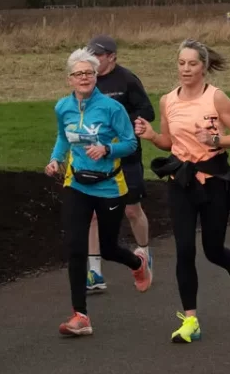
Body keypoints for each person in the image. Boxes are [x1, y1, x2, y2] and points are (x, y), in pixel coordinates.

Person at [133, 39, 230, 344]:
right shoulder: (167, 101)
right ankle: (191, 320)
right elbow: (169, 142)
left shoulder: (216, 98)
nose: (186, 69)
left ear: (203, 67)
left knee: (213, 249)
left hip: (214, 181)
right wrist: (151, 136)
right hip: (181, 182)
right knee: (185, 250)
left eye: (192, 63)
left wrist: (214, 139)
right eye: (181, 63)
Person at [47, 47, 155, 337]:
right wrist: (55, 159)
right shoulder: (63, 107)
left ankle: (137, 262)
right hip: (77, 183)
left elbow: (131, 143)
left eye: (89, 73)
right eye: (78, 73)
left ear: (96, 76)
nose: (84, 77)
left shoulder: (112, 108)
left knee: (108, 248)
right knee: (74, 247)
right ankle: (80, 316)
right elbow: (62, 137)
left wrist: (107, 148)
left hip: (109, 185)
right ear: (69, 78)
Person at [82, 35, 155, 293]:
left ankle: (144, 253)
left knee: (132, 210)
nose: (93, 60)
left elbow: (148, 112)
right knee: (92, 215)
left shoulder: (127, 80)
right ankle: (94, 273)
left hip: (126, 156)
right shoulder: (87, 80)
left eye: (98, 55)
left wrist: (120, 123)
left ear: (112, 56)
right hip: (96, 159)